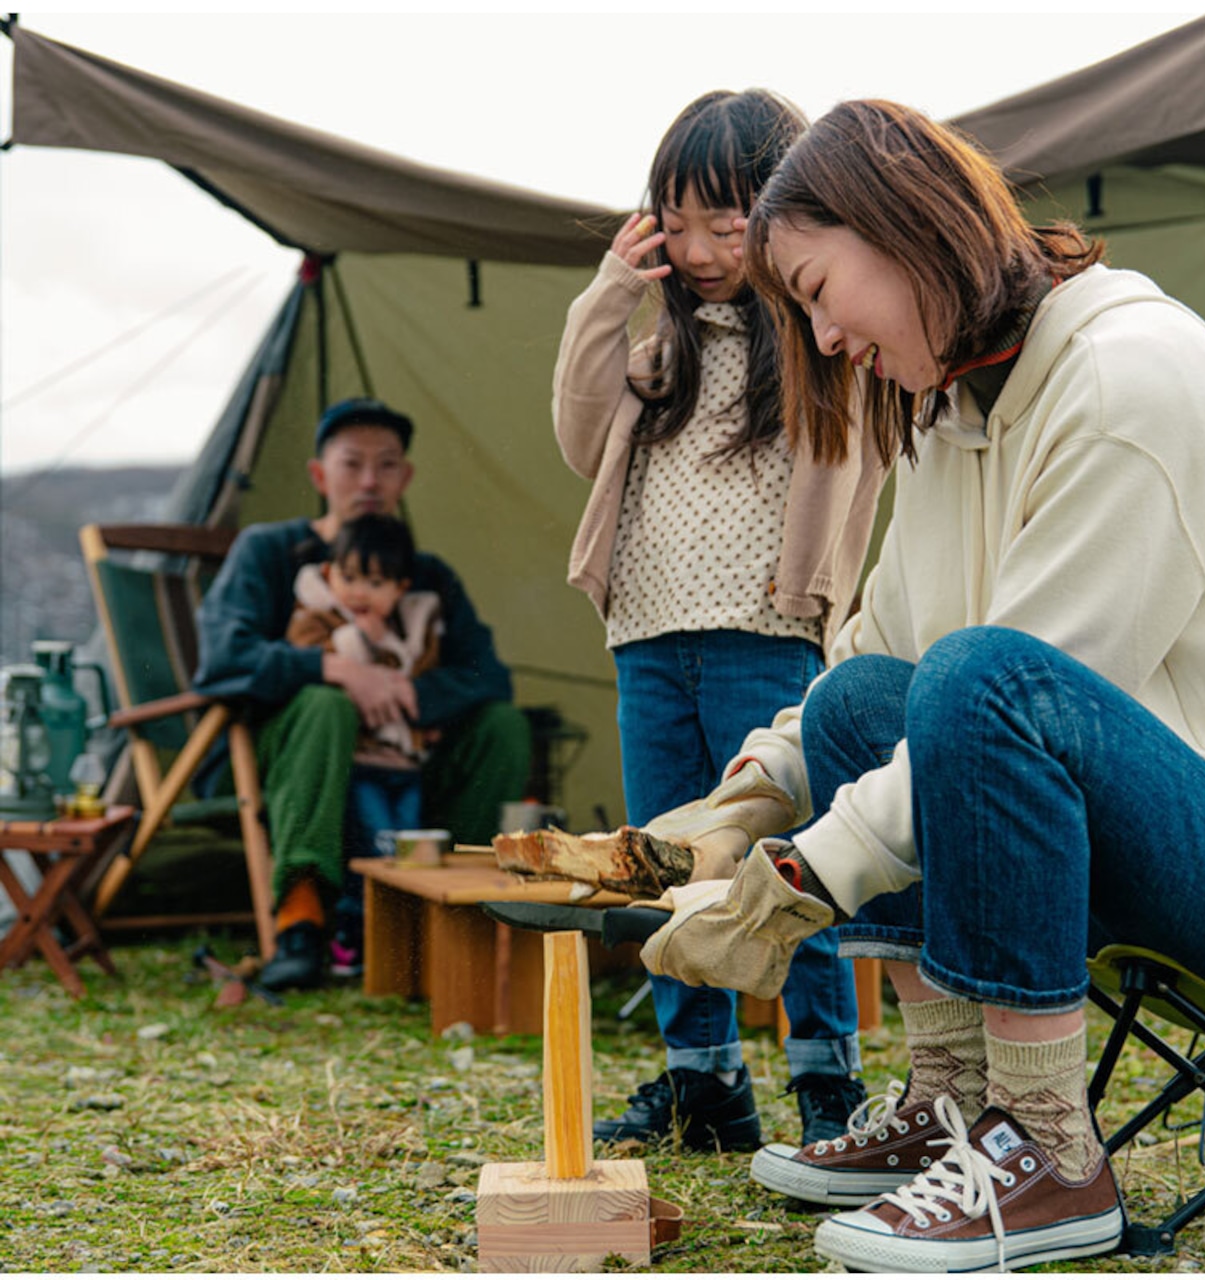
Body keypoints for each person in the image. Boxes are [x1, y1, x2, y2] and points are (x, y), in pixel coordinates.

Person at [633, 98, 1205, 1272]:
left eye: (819, 292)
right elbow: (881, 636)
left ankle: (1044, 1144)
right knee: (859, 697)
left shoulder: (1130, 378)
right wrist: (749, 795)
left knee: (984, 680)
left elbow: (1038, 684)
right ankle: (950, 1105)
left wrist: (797, 881)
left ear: (902, 226)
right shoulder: (955, 410)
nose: (823, 339)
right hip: (1130, 837)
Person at [552, 89, 886, 1151]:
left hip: (765, 636)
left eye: (726, 223)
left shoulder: (826, 347)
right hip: (647, 637)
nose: (697, 250)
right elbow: (574, 434)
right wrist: (608, 295)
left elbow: (863, 460)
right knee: (660, 866)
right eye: (676, 221)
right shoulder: (657, 356)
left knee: (784, 860)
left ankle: (825, 1079)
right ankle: (703, 1083)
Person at [195, 396, 531, 992]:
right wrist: (337, 669)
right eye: (353, 464)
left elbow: (487, 676)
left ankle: (455, 913)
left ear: (406, 477)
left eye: (387, 465)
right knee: (326, 703)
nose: (370, 481)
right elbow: (224, 657)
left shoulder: (425, 575)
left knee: (502, 724)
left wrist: (409, 691)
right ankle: (301, 921)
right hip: (286, 759)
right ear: (320, 475)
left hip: (402, 760)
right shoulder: (267, 551)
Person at [286, 510, 445, 974]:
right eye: (349, 577)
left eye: (375, 584)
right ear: (330, 574)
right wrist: (357, 639)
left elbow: (424, 676)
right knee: (374, 847)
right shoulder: (317, 614)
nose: (358, 593)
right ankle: (354, 937)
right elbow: (305, 656)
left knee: (407, 851)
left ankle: (404, 942)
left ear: (400, 590)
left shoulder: (411, 628)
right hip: (362, 762)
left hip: (405, 765)